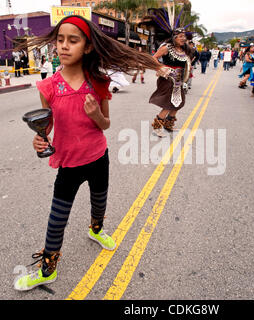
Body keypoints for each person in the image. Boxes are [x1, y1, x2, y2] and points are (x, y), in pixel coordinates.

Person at [13, 15, 165, 291]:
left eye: (73, 40)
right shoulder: (48, 87)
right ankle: (48, 267)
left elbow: (106, 125)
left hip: (98, 158)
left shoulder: (98, 82)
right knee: (56, 218)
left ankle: (96, 230)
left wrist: (96, 115)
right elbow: (45, 128)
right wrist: (39, 140)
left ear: (87, 47)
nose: (64, 46)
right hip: (68, 165)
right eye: (60, 40)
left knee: (100, 202)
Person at [147, 5, 192, 136]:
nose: (183, 39)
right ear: (174, 37)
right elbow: (153, 58)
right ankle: (157, 127)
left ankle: (168, 124)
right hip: (167, 79)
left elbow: (188, 63)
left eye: (184, 36)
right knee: (168, 104)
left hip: (179, 81)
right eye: (180, 36)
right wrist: (161, 68)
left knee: (178, 104)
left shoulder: (184, 50)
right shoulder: (167, 48)